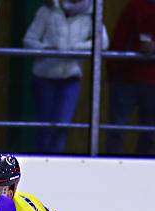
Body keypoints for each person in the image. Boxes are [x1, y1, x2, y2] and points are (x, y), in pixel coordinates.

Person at [23, 0, 108, 154]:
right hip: (44, 77)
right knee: (44, 128)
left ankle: (55, 163)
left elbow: (103, 42)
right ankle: (41, 163)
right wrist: (46, 49)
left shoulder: (92, 14)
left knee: (62, 126)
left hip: (70, 78)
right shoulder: (47, 10)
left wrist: (76, 49)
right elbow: (29, 40)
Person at [105, 0, 155, 156]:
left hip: (149, 82)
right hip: (126, 78)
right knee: (117, 129)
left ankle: (144, 168)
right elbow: (119, 41)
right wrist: (113, 73)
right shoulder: (134, 7)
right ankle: (113, 166)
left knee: (150, 132)